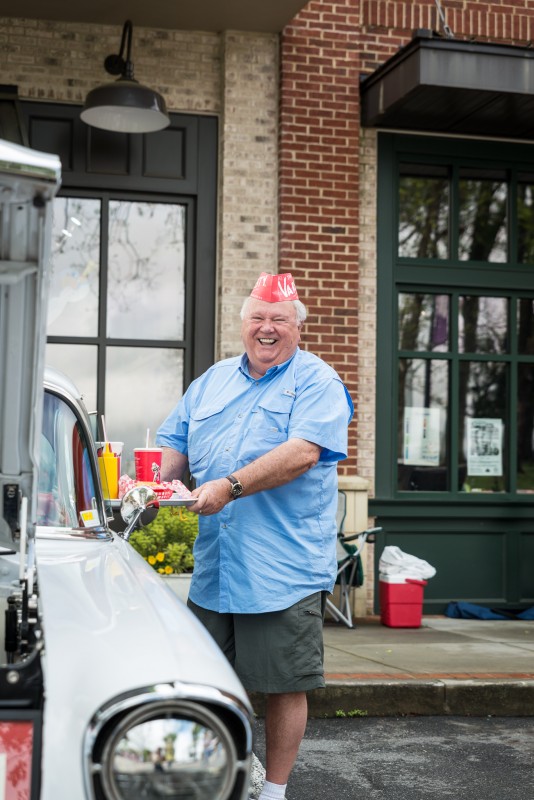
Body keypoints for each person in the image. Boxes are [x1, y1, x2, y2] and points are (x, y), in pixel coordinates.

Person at [156, 272, 353, 800]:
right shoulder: (213, 380)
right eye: (258, 318)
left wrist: (230, 486)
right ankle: (216, 775)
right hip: (217, 564)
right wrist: (156, 486)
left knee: (283, 685)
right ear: (243, 323)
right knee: (203, 681)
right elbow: (174, 439)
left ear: (297, 327)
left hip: (281, 568)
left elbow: (303, 452)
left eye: (279, 320)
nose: (267, 328)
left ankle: (274, 792)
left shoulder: (318, 382)